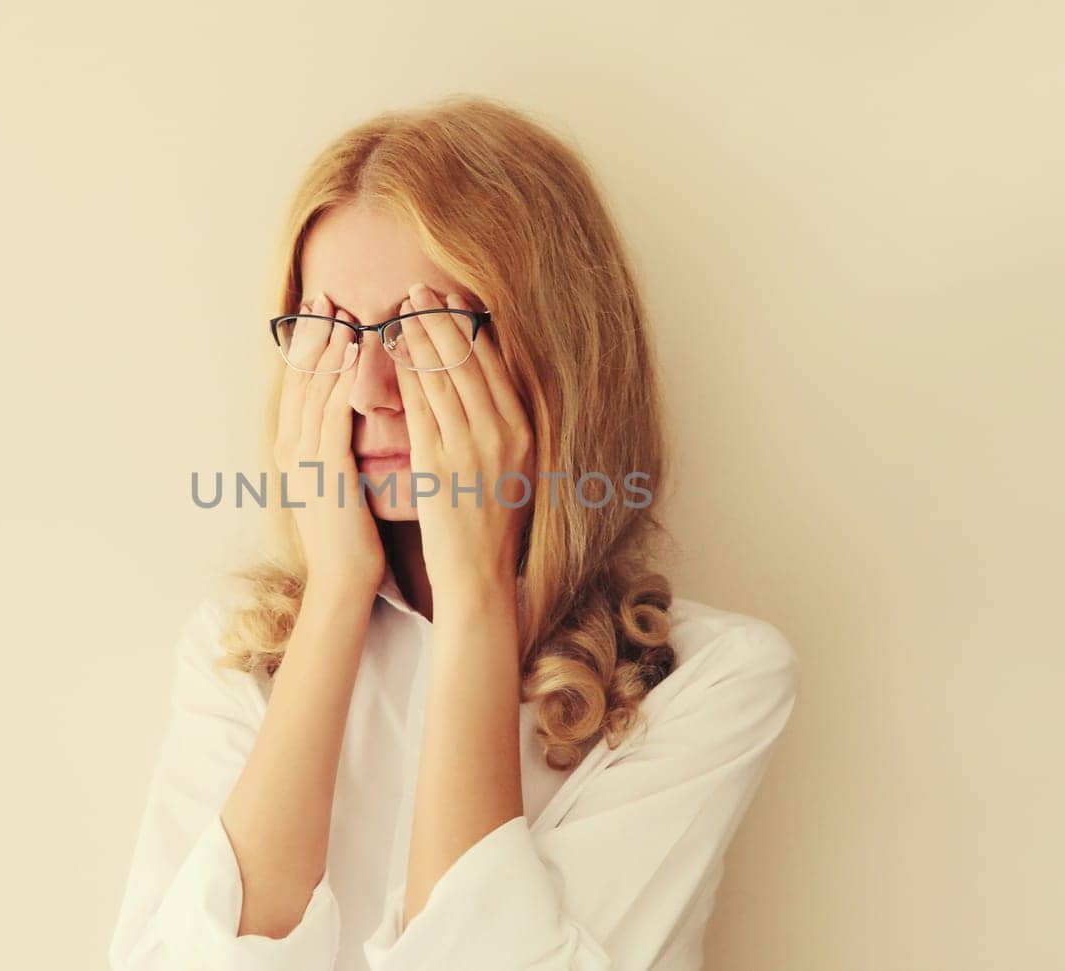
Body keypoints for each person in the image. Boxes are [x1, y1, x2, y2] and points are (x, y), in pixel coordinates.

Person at [108, 94, 799, 971]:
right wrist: (333, 598)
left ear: (556, 351)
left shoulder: (709, 681)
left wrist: (476, 592)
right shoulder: (237, 656)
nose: (368, 388)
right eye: (329, 334)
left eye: (424, 331)